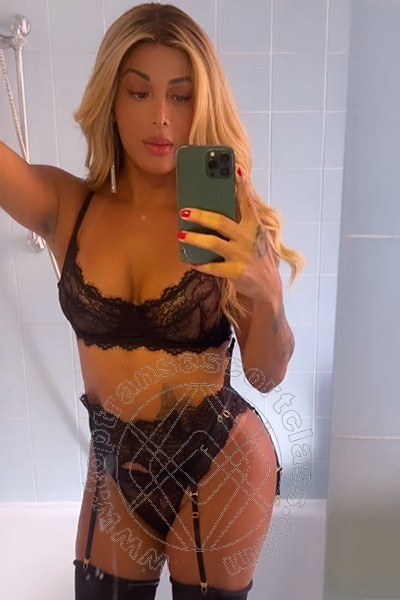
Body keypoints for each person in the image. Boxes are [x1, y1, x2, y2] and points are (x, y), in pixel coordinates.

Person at [0, 3, 305, 598]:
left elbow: (266, 376)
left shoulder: (227, 223)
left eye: (181, 96)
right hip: (116, 466)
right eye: (139, 92)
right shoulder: (67, 206)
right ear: (112, 101)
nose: (161, 117)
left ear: (201, 104)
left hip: (221, 461)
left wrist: (269, 297)